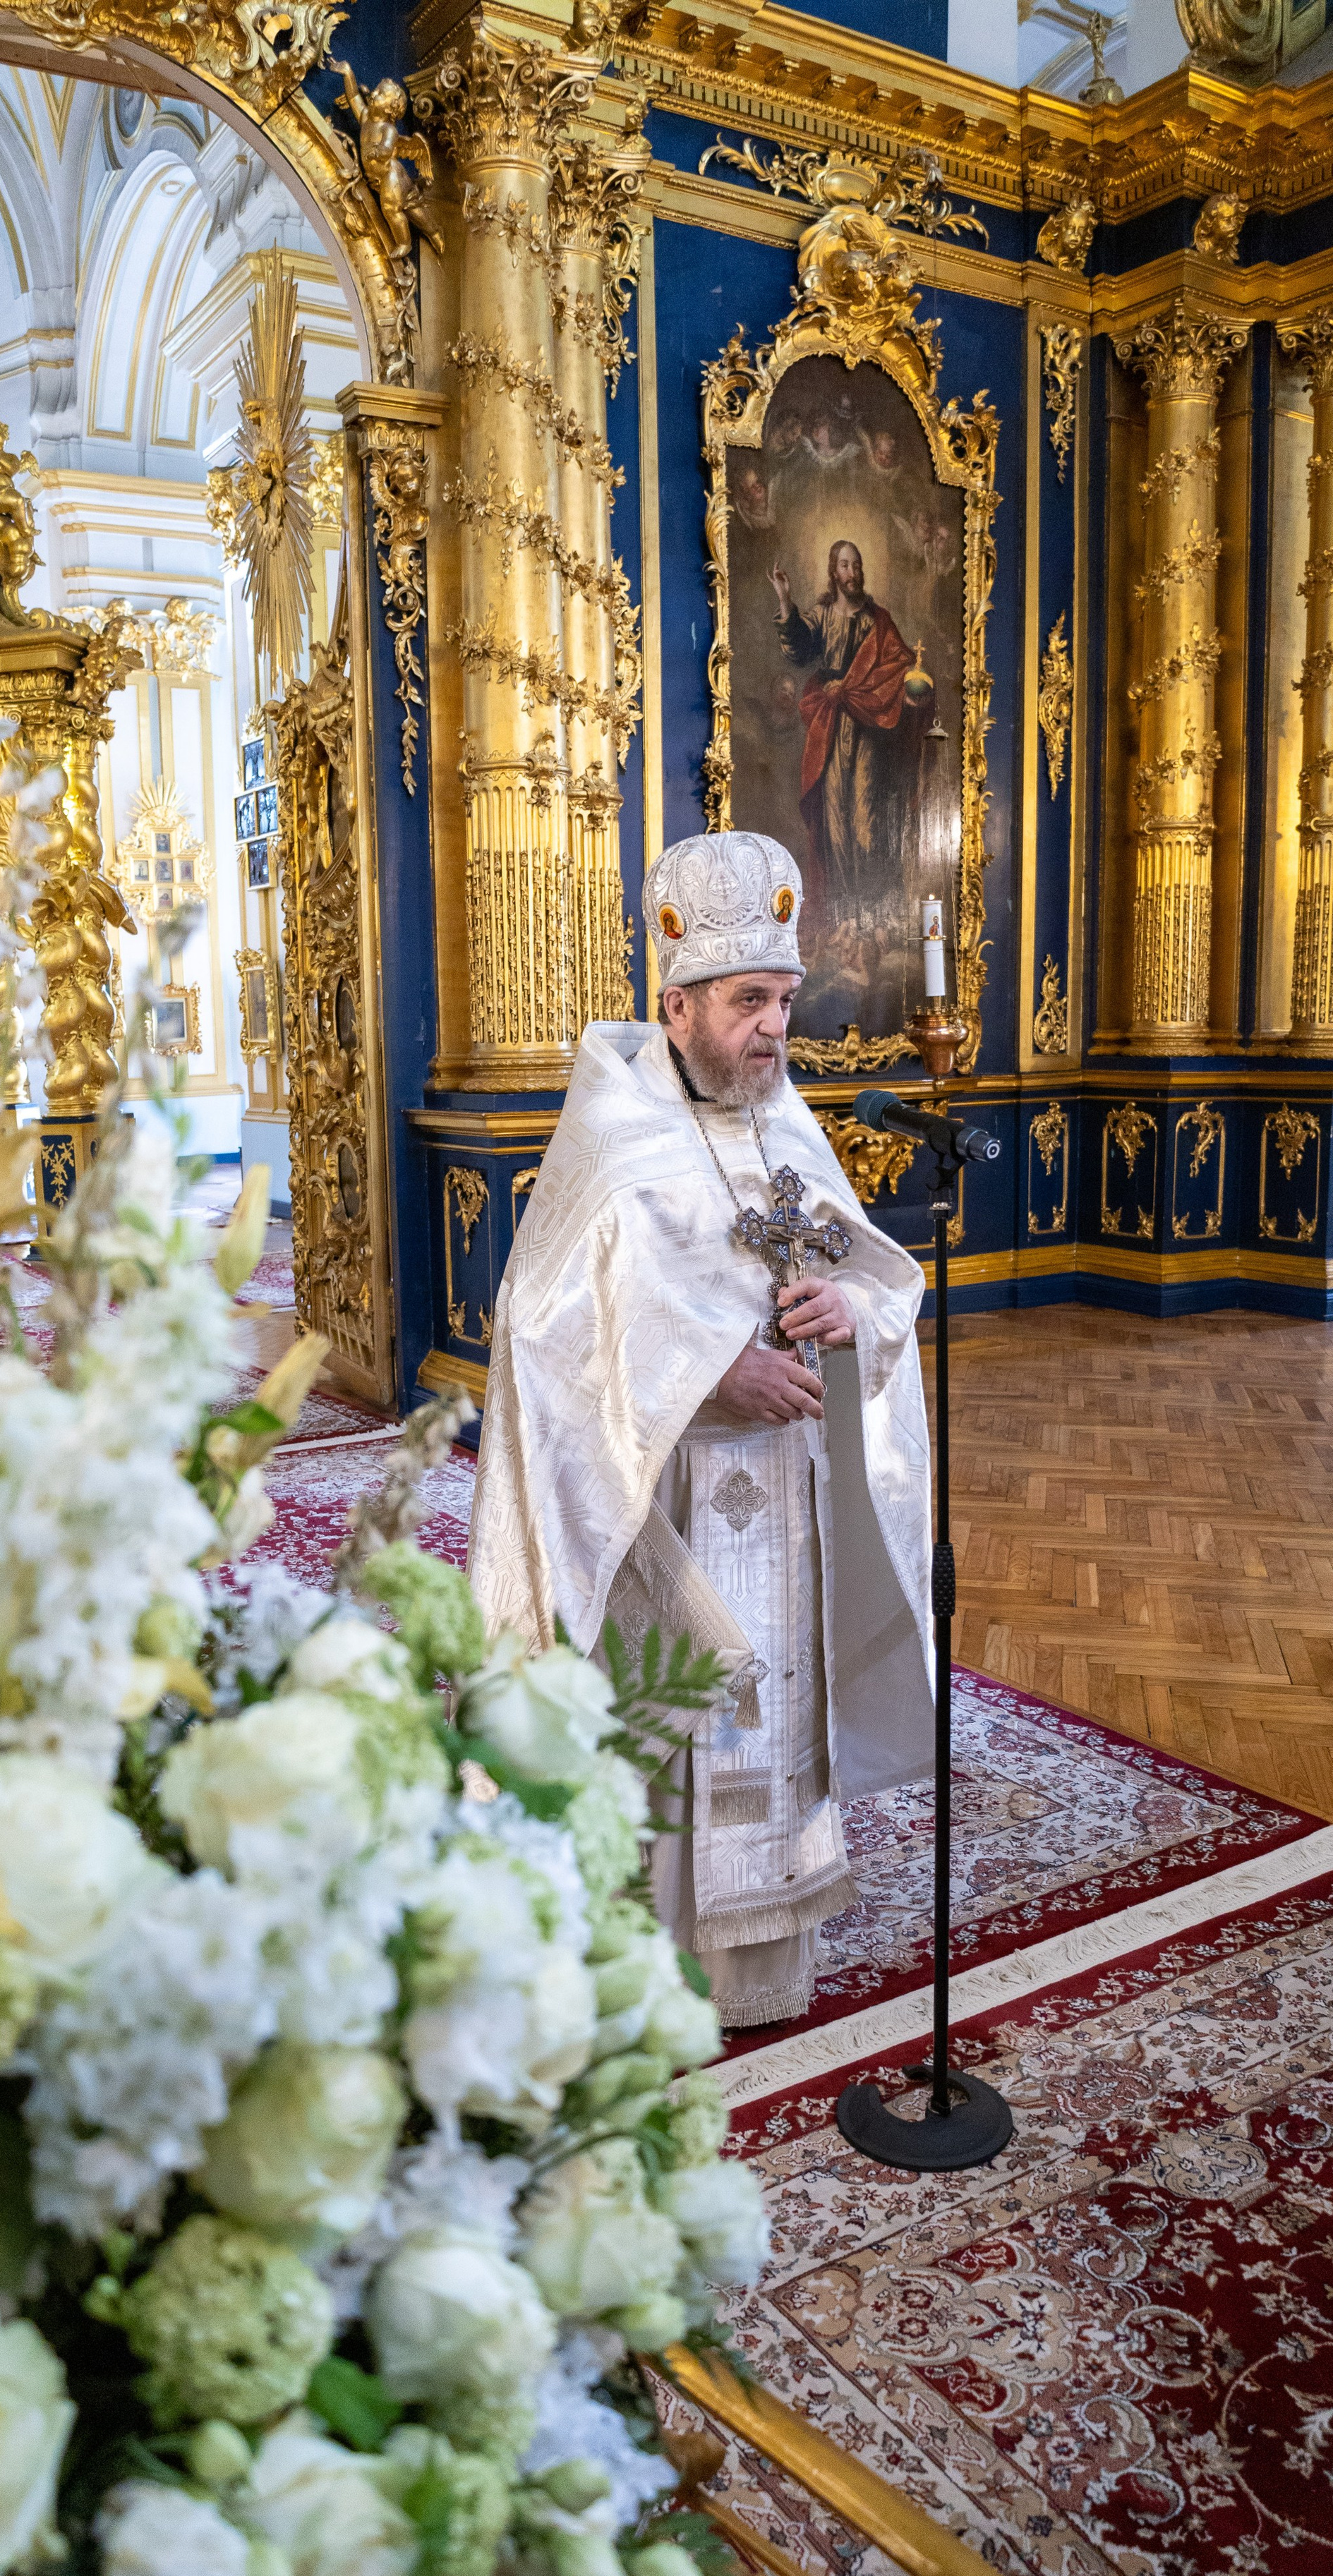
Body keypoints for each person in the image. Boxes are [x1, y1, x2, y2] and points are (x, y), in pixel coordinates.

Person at [468, 833, 934, 2028]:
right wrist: (709, 1369)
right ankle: (658, 1961)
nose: (775, 1029)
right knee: (689, 1710)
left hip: (788, 1485)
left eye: (783, 1000)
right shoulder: (615, 1132)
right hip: (665, 1498)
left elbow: (871, 1270)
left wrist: (854, 1311)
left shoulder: (782, 1122)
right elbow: (541, 1328)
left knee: (778, 1703)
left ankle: (763, 1960)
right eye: (748, 1003)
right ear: (677, 1006)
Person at [769, 539, 935, 914]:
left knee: (864, 814)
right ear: (834, 572)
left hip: (868, 725)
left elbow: (902, 663)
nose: (852, 573)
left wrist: (911, 687)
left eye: (857, 566)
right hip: (830, 723)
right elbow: (798, 649)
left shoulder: (878, 621)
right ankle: (842, 912)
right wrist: (784, 599)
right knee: (833, 818)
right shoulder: (822, 615)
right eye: (845, 566)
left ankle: (868, 908)